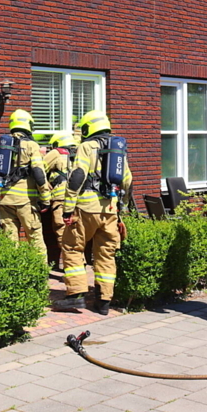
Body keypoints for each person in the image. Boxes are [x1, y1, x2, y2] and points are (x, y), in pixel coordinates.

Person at [53, 110, 131, 316]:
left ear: (89, 128)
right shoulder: (118, 148)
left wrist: (68, 208)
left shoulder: (87, 146)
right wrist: (121, 206)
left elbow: (77, 177)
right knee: (106, 254)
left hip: (86, 209)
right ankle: (104, 301)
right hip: (110, 210)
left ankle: (76, 295)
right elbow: (127, 181)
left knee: (72, 247)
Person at [0, 109, 51, 257]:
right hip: (25, 202)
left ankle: (12, 274)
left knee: (9, 241)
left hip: (4, 200)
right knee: (35, 238)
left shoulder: (1, 147)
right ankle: (39, 274)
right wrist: (45, 198)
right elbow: (39, 173)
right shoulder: (31, 145)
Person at [43, 131, 77, 234]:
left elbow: (38, 169)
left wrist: (45, 183)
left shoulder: (56, 153)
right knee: (76, 231)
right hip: (79, 199)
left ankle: (65, 250)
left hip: (61, 198)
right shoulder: (81, 153)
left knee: (62, 230)